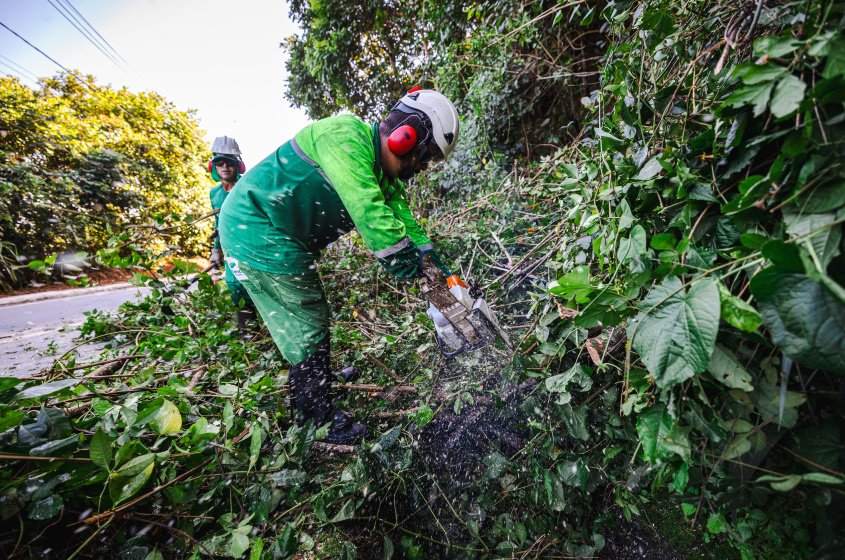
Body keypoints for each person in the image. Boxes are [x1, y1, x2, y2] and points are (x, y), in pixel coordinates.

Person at [218, 88, 460, 444]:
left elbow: (408, 225)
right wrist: (412, 266)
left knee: (310, 313)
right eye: (425, 158)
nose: (421, 168)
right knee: (305, 315)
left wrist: (442, 274)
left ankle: (318, 382)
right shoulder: (345, 136)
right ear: (406, 137)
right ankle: (315, 420)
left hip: (275, 232)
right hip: (254, 228)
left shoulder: (381, 174)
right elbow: (371, 215)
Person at [207, 136, 258, 333]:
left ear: (238, 166)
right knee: (235, 287)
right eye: (220, 163)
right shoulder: (214, 193)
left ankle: (273, 326)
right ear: (213, 166)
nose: (225, 167)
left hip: (250, 244)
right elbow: (218, 222)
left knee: (257, 285)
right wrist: (216, 249)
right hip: (230, 248)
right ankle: (250, 333)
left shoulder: (246, 187)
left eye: (229, 163)